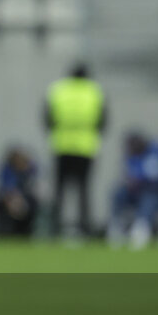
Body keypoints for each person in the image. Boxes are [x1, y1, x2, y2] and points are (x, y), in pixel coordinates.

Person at [44, 62, 107, 237]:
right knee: (84, 190)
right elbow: (103, 120)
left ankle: (55, 228)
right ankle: (85, 227)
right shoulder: (94, 91)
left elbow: (47, 118)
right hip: (86, 147)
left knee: (59, 190)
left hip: (61, 145)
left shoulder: (58, 90)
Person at [106, 131, 158, 249]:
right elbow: (129, 177)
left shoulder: (156, 154)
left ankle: (141, 227)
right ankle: (116, 225)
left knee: (149, 198)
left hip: (156, 193)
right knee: (118, 194)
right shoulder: (131, 157)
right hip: (136, 193)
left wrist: (141, 182)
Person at [0, 146, 40, 237]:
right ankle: (4, 231)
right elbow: (6, 188)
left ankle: (27, 232)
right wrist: (14, 200)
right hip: (10, 199)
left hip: (25, 200)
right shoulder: (7, 170)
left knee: (33, 204)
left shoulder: (29, 171)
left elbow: (34, 187)